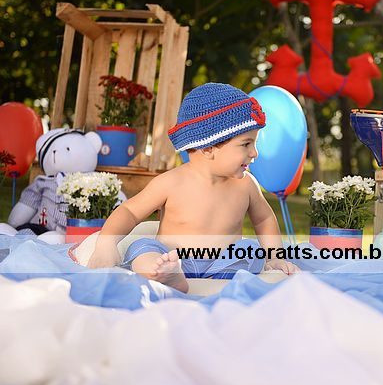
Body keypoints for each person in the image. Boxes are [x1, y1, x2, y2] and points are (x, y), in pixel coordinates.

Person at [87, 83, 299, 292]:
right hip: (174, 257)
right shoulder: (171, 182)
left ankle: (211, 277)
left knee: (249, 250)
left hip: (222, 263)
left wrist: (275, 257)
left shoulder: (246, 184)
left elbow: (263, 219)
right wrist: (106, 243)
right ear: (208, 148)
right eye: (246, 144)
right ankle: (164, 272)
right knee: (142, 248)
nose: (255, 153)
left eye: (254, 144)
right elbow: (130, 211)